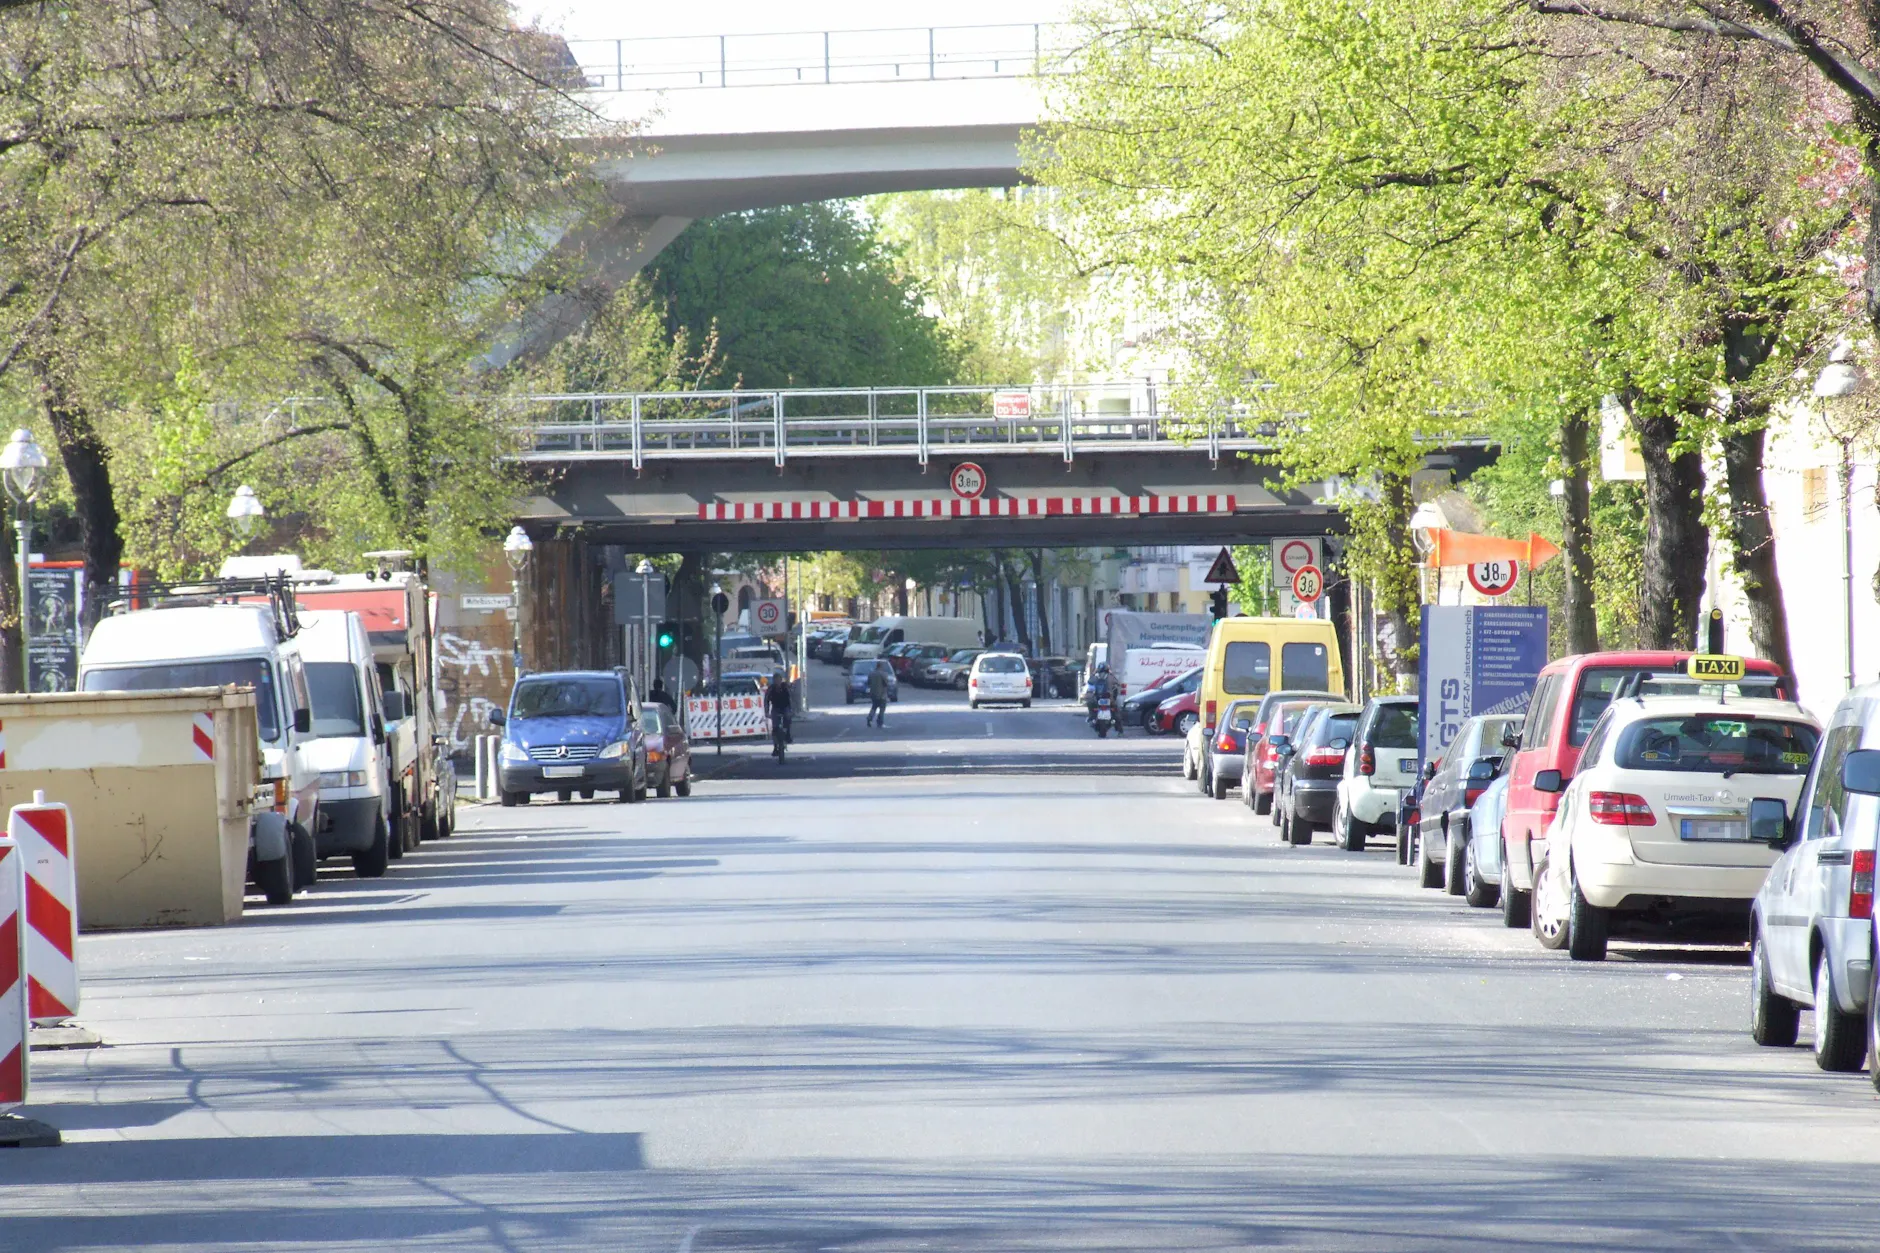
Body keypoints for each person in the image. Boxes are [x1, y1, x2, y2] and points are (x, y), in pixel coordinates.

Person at [1085, 662, 1122, 735]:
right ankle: (1119, 730)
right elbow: (1118, 683)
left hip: (1098, 699)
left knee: (1091, 706)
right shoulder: (1111, 677)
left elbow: (1089, 681)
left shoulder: (1095, 677)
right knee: (1116, 713)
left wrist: (1093, 673)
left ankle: (1091, 718)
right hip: (1109, 699)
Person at [765, 669, 793, 758]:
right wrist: (766, 712)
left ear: (781, 680)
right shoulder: (771, 689)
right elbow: (766, 700)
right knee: (775, 728)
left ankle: (787, 734)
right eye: (775, 680)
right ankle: (775, 747)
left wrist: (792, 709)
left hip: (785, 707)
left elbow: (791, 698)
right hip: (776, 708)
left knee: (787, 718)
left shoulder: (785, 687)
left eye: (779, 679)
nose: (777, 682)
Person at [865, 658, 891, 728]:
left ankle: (869, 718)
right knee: (882, 709)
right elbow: (886, 683)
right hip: (882, 694)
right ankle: (880, 723)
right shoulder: (883, 674)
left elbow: (868, 683)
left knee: (874, 707)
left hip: (873, 693)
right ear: (881, 667)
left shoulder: (871, 674)